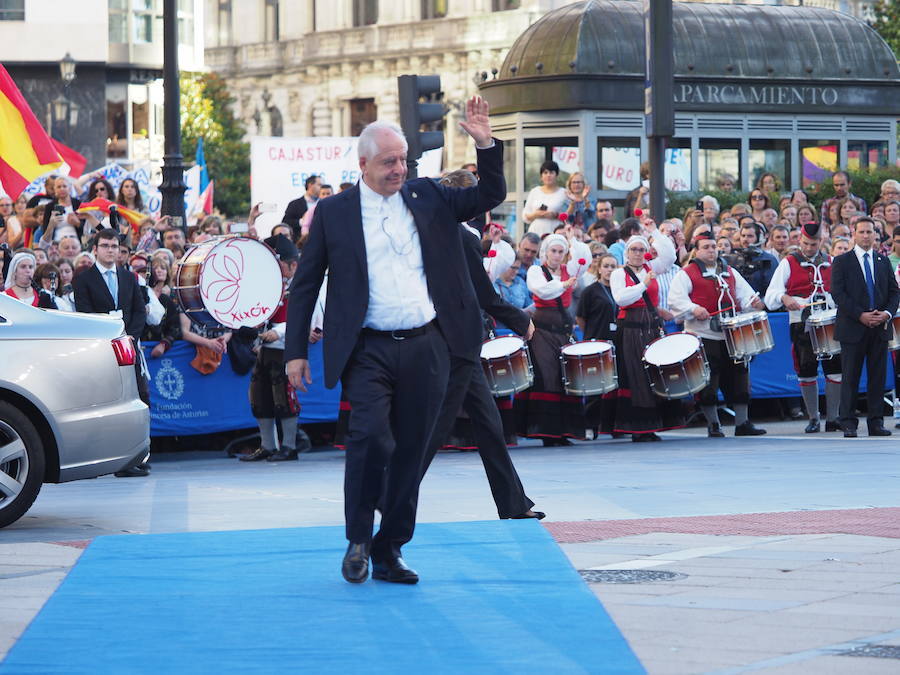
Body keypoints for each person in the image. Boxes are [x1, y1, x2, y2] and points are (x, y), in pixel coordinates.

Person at [284, 96, 504, 585]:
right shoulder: (334, 213)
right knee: (367, 438)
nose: (400, 169)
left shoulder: (430, 196)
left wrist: (487, 144)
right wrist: (295, 352)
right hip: (368, 349)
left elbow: (490, 192)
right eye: (389, 161)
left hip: (428, 345)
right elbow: (305, 285)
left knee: (413, 449)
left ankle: (390, 549)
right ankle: (359, 536)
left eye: (404, 159)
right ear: (362, 164)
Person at [419, 168, 543, 521]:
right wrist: (520, 319)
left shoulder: (449, 233)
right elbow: (484, 294)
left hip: (457, 341)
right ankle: (395, 491)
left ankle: (513, 503)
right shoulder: (462, 236)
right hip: (456, 342)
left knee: (488, 425)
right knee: (438, 427)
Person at [669, 234, 767, 437]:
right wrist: (694, 309)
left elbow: (745, 295)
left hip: (732, 335)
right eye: (706, 247)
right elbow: (675, 301)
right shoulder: (686, 274)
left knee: (740, 378)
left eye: (714, 246)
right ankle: (713, 424)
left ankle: (742, 423)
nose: (712, 250)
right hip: (703, 335)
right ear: (696, 250)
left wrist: (753, 303)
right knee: (708, 381)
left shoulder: (729, 272)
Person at [73, 229, 149, 476]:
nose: (110, 250)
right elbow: (85, 315)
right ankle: (99, 460)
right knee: (103, 405)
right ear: (95, 249)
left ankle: (137, 457)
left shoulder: (129, 278)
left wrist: (130, 338)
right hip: (101, 352)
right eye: (105, 245)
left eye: (114, 246)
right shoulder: (83, 279)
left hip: (128, 348)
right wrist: (109, 340)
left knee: (139, 400)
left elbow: (139, 312)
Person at [765, 222, 843, 432]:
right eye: (806, 243)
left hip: (829, 322)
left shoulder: (832, 262)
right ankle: (813, 418)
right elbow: (771, 295)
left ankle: (833, 418)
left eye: (814, 243)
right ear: (799, 240)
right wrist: (785, 297)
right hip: (801, 322)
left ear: (822, 241)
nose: (810, 248)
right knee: (806, 369)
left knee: (835, 370)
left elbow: (842, 293)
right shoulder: (788, 263)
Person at [517, 230, 592, 445]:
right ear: (545, 253)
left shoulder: (570, 270)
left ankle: (564, 431)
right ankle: (547, 433)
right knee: (547, 377)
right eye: (554, 251)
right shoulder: (535, 271)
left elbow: (584, 258)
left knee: (565, 377)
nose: (558, 255)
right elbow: (541, 291)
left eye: (561, 251)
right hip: (543, 331)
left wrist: (573, 240)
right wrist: (563, 285)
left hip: (563, 330)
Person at [241, 235, 311, 462]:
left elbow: (303, 318)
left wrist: (277, 332)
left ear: (293, 264)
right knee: (259, 396)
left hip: (286, 349)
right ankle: (268, 445)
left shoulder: (303, 285)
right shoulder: (271, 286)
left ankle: (289, 446)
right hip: (266, 348)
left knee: (284, 397)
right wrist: (257, 337)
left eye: (277, 264)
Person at [609, 228, 682, 441]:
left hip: (651, 326)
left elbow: (670, 256)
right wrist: (643, 284)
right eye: (634, 249)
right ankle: (637, 427)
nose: (638, 253)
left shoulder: (651, 267)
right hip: (631, 328)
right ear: (627, 252)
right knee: (636, 375)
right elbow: (621, 299)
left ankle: (652, 426)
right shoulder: (618, 273)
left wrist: (654, 232)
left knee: (653, 373)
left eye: (642, 249)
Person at [830, 217, 899, 438]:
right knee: (850, 376)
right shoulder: (842, 261)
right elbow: (838, 294)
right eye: (862, 232)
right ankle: (848, 422)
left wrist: (886, 313)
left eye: (870, 232)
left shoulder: (882, 261)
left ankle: (876, 422)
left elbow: (894, 292)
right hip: (853, 327)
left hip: (879, 327)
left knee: (877, 377)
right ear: (854, 234)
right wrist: (861, 315)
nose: (866, 236)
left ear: (876, 235)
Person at [523, 160, 567, 236]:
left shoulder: (564, 193)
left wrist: (555, 215)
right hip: (535, 231)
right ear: (541, 176)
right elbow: (525, 216)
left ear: (557, 175)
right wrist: (536, 214)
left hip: (556, 231)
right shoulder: (535, 191)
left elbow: (569, 216)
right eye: (545, 173)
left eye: (551, 172)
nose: (548, 175)